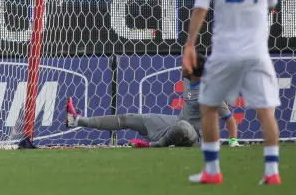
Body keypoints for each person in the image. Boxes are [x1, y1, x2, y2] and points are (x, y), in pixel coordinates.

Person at [183, 0, 281, 185]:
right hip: (257, 52)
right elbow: (272, 4)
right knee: (266, 112)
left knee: (208, 107)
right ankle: (272, 173)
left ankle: (212, 170)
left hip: (225, 51)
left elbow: (201, 9)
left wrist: (190, 44)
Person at [66, 53, 240, 148]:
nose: (181, 66)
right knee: (132, 118)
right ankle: (78, 120)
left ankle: (154, 145)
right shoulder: (188, 80)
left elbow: (229, 119)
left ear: (193, 70)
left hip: (194, 136)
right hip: (176, 122)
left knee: (182, 128)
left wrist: (233, 142)